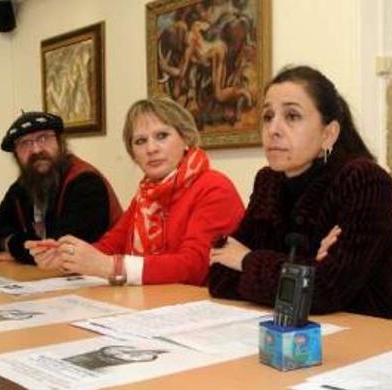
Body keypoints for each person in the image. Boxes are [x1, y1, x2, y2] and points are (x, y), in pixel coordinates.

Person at [208, 65, 392, 321]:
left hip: (372, 336)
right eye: (268, 117)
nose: (274, 129)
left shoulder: (364, 181)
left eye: (292, 116)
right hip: (292, 330)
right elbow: (219, 276)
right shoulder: (268, 181)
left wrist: (247, 261)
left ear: (329, 134)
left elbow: (326, 291)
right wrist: (307, 267)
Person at [26, 96, 244, 286]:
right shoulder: (146, 196)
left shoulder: (214, 187)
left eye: (162, 136)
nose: (151, 148)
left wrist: (113, 267)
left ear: (185, 138)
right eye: (140, 141)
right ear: (133, 154)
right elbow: (109, 246)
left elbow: (195, 266)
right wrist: (67, 257)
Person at [0, 111, 122, 264]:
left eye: (43, 138)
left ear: (60, 142)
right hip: (52, 280)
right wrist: (15, 244)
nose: (36, 150)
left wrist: (12, 248)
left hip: (101, 280)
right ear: (16, 155)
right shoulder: (21, 188)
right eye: (25, 143)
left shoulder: (86, 182)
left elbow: (60, 250)